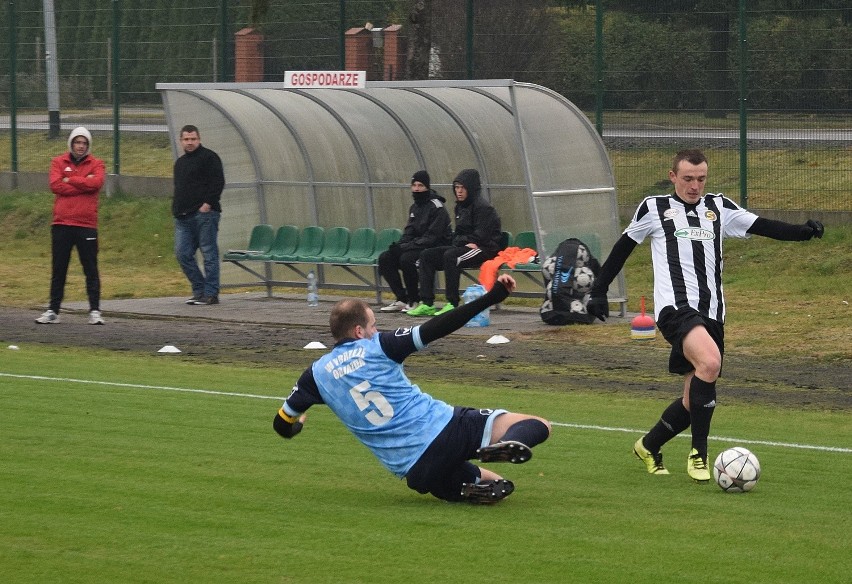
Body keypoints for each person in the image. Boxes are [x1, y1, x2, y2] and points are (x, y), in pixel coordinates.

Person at [586, 148, 824, 482]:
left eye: (700, 179)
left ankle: (649, 445)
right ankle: (699, 453)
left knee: (692, 398)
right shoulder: (654, 208)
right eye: (687, 179)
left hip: (712, 313)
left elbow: (763, 225)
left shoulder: (719, 207)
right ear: (673, 177)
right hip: (675, 309)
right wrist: (599, 289)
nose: (695, 186)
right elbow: (623, 248)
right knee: (710, 364)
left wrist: (803, 231)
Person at [273, 274, 551, 504]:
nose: (376, 329)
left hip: (414, 469)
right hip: (443, 430)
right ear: (359, 331)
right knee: (538, 423)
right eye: (373, 324)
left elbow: (281, 424)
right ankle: (507, 444)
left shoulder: (316, 375)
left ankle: (468, 485)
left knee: (494, 483)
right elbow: (439, 325)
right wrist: (491, 297)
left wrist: (296, 427)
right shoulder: (378, 346)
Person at [407, 168, 503, 316]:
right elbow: (457, 235)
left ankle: (452, 303)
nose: (459, 191)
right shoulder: (460, 206)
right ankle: (427, 303)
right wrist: (463, 241)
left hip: (485, 249)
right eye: (457, 187)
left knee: (451, 256)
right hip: (466, 246)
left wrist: (463, 241)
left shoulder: (484, 208)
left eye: (462, 188)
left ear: (470, 188)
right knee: (427, 255)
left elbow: (480, 237)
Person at [36, 127, 106, 325]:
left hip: (86, 225)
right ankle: (53, 310)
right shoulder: (58, 162)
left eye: (84, 143)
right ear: (71, 144)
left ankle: (94, 311)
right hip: (62, 223)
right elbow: (55, 185)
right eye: (77, 142)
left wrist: (71, 180)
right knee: (59, 269)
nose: (81, 146)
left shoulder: (97, 163)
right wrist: (83, 183)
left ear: (88, 145)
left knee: (90, 268)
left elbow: (96, 183)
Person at [378, 170, 452, 313]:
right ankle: (402, 298)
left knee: (407, 259)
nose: (417, 189)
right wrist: (400, 245)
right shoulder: (415, 207)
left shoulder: (437, 207)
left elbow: (432, 237)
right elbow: (409, 231)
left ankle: (414, 300)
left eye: (420, 185)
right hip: (417, 245)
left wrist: (407, 247)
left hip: (435, 247)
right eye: (414, 185)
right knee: (386, 257)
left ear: (427, 187)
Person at [172, 124, 225, 305]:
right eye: (186, 139)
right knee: (182, 253)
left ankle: (211, 293)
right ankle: (199, 290)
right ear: (181, 141)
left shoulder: (209, 157)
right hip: (183, 217)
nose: (190, 142)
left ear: (199, 139)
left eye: (193, 139)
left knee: (208, 253)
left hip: (205, 214)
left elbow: (218, 182)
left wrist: (208, 204)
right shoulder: (180, 163)